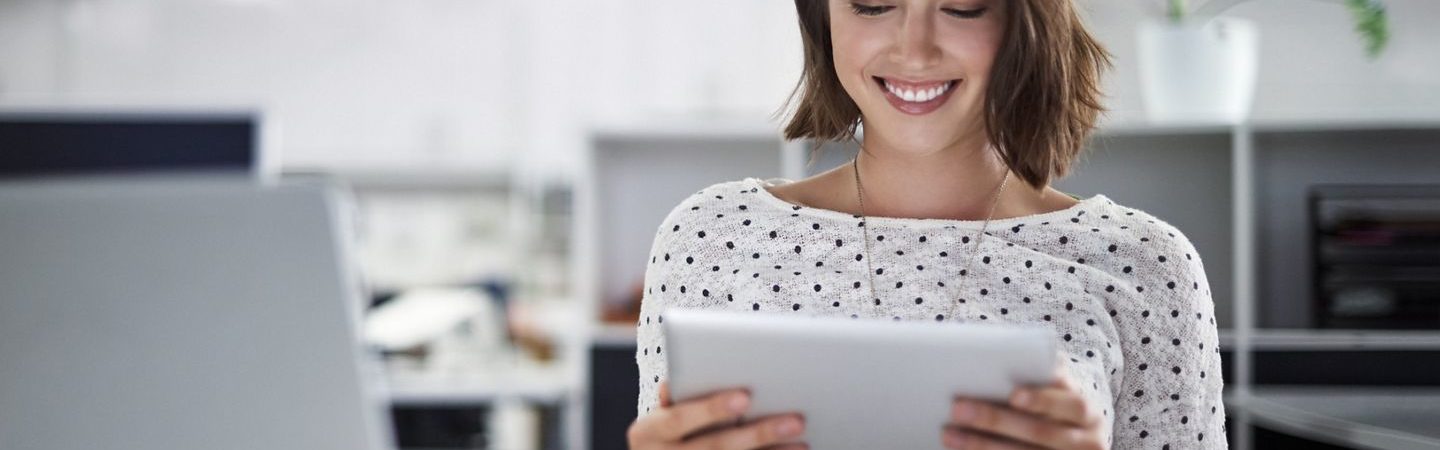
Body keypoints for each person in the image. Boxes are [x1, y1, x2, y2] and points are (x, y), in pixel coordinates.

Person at [627, 0, 1228, 449]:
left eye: (963, 6)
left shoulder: (1145, 263)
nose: (914, 51)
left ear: (1026, 21)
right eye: (871, 3)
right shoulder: (711, 238)